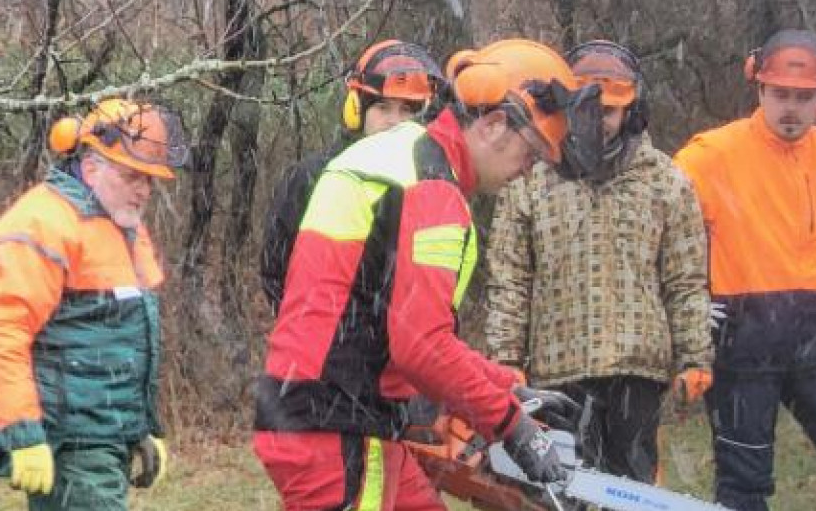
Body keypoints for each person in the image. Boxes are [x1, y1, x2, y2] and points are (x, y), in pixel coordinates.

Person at [253, 38, 603, 510]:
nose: (526, 171)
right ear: (494, 125)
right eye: (530, 153)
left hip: (333, 412)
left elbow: (408, 324)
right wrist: (511, 425)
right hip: (338, 425)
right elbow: (421, 346)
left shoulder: (402, 156)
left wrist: (505, 386)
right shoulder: (431, 186)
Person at [673, 29, 816, 510]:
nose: (791, 108)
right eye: (780, 94)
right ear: (759, 89)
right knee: (744, 481)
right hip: (740, 341)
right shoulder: (711, 155)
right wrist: (688, 306)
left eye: (803, 97)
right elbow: (657, 227)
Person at [482, 39, 713, 485]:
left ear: (630, 111)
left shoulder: (665, 181)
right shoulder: (529, 178)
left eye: (607, 111)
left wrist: (694, 356)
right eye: (587, 111)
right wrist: (505, 357)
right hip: (554, 368)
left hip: (637, 366)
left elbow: (685, 279)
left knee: (632, 490)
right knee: (555, 487)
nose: (597, 122)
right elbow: (509, 278)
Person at [0, 98, 187, 510]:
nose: (143, 190)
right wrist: (23, 431)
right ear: (90, 168)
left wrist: (143, 427)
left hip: (105, 438)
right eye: (132, 177)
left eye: (149, 180)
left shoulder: (122, 226)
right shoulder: (41, 224)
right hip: (70, 442)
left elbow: (126, 341)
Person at [260, 39, 445, 311]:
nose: (394, 121)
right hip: (323, 332)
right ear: (356, 109)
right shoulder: (312, 177)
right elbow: (276, 272)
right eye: (382, 107)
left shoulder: (428, 187)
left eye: (406, 110)